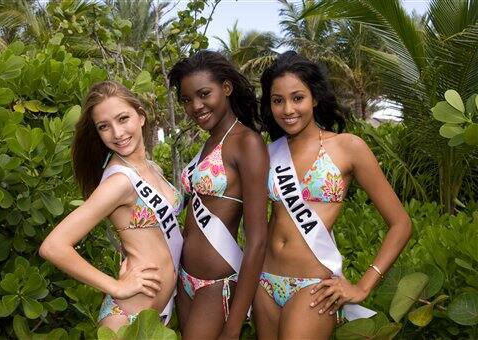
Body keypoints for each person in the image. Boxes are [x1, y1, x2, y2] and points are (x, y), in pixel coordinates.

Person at [253, 51, 412, 339]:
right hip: (265, 283)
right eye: (278, 100)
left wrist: (363, 286)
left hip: (312, 287)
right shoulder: (270, 153)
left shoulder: (347, 147)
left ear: (314, 97)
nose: (288, 109)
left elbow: (401, 224)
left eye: (297, 97)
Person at [39, 81, 183, 331]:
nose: (117, 133)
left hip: (160, 315)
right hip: (126, 317)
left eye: (123, 118)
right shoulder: (119, 182)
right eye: (104, 127)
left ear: (141, 116)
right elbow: (53, 246)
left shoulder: (152, 169)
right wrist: (116, 286)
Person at [168, 50, 268, 339]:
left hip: (217, 284)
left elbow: (257, 241)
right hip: (184, 280)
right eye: (187, 100)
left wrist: (234, 326)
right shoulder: (210, 141)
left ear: (226, 88)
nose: (195, 106)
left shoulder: (247, 143)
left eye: (203, 94)